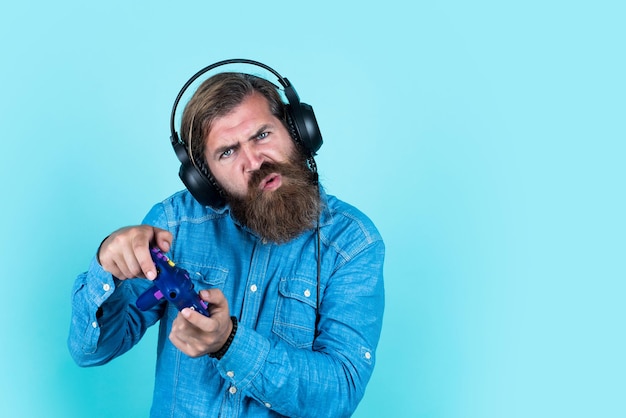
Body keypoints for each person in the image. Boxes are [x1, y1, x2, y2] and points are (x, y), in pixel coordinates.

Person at [68, 60, 385, 418]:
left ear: (298, 131)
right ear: (204, 178)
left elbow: (339, 393)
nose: (254, 161)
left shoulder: (353, 243)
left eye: (262, 135)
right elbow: (90, 351)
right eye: (227, 152)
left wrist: (229, 343)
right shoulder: (176, 223)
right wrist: (107, 267)